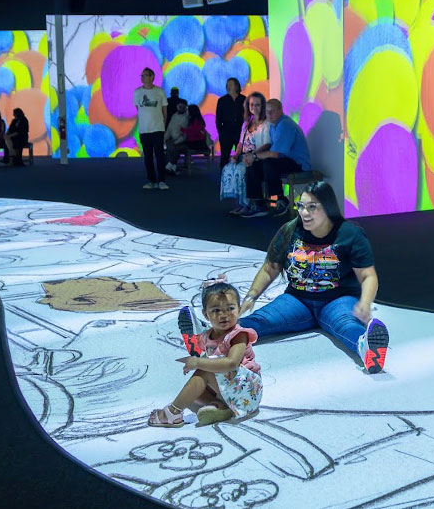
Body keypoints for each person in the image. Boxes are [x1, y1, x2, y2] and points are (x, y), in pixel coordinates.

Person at [237, 181, 389, 374]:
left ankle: (367, 348)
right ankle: (211, 336)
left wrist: (365, 303)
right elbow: (270, 268)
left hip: (338, 299)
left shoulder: (350, 233)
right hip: (297, 299)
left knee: (347, 325)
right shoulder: (290, 230)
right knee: (260, 320)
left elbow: (368, 275)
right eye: (301, 206)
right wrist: (251, 296)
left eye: (312, 207)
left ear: (328, 207)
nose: (304, 213)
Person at [149, 280, 262, 427]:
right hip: (236, 391)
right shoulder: (209, 336)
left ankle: (172, 412)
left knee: (204, 371)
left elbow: (232, 363)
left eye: (230, 308)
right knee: (196, 390)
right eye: (216, 310)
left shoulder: (239, 335)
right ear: (206, 314)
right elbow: (211, 357)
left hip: (248, 392)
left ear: (239, 309)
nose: (224, 315)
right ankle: (221, 407)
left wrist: (197, 362)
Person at [241, 98, 312, 217]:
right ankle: (258, 203)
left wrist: (254, 156)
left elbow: (276, 154)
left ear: (280, 110)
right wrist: (252, 156)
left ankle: (281, 200)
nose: (269, 114)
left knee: (269, 162)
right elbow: (270, 147)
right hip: (285, 161)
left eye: (272, 111)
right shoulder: (274, 126)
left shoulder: (285, 124)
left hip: (299, 164)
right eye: (267, 111)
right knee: (256, 164)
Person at [220, 92, 270, 214]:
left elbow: (267, 144)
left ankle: (250, 204)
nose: (254, 107)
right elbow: (240, 144)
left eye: (258, 105)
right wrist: (236, 155)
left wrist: (251, 155)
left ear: (262, 106)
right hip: (244, 156)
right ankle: (241, 203)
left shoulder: (266, 124)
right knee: (229, 168)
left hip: (257, 156)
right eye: (252, 104)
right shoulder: (246, 124)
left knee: (242, 169)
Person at [134, 67, 169, 190]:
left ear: (152, 77)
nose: (143, 77)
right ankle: (151, 180)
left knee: (160, 155)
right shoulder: (137, 92)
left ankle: (162, 180)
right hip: (144, 129)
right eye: (142, 75)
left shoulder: (159, 92)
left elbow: (165, 109)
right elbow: (138, 108)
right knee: (148, 156)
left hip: (158, 127)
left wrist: (163, 123)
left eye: (146, 75)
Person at [215, 78, 246, 170]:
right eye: (227, 85)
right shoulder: (222, 100)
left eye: (231, 84)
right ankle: (224, 180)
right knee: (224, 157)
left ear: (236, 86)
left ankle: (240, 178)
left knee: (240, 156)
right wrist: (221, 131)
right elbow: (218, 118)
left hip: (240, 131)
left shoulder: (243, 99)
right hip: (226, 132)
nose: (228, 87)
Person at [164, 99, 189, 175]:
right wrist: (164, 139)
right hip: (174, 139)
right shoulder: (174, 116)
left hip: (184, 140)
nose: (180, 108)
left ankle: (168, 167)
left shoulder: (188, 117)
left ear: (185, 107)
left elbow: (185, 134)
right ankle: (172, 168)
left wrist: (176, 141)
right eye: (179, 106)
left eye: (182, 106)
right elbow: (169, 129)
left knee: (174, 147)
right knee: (169, 146)